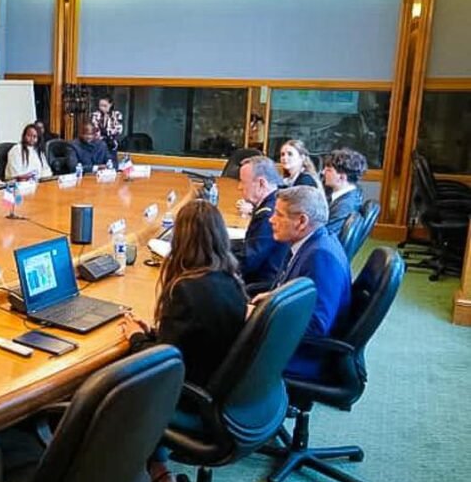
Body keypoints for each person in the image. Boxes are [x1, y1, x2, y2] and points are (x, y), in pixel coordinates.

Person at [129, 199, 247, 387]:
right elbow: (191, 338)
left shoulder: (185, 290)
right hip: (215, 379)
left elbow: (161, 363)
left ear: (180, 240)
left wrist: (135, 337)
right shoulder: (231, 279)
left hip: (183, 389)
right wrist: (152, 334)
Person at [261, 185, 352, 381]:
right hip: (290, 341)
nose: (271, 220)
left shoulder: (320, 257)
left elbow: (316, 326)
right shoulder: (313, 242)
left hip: (302, 355)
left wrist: (263, 315)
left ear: (302, 221)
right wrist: (272, 299)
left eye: (278, 214)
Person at [235, 156, 290, 289]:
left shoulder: (268, 215)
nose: (239, 187)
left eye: (243, 182)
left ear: (261, 183)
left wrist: (214, 261)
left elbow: (248, 261)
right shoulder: (274, 202)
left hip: (258, 287)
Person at [322, 148, 367, 236]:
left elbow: (325, 237)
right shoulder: (352, 195)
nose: (323, 172)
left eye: (328, 170)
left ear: (342, 177)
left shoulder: (344, 206)